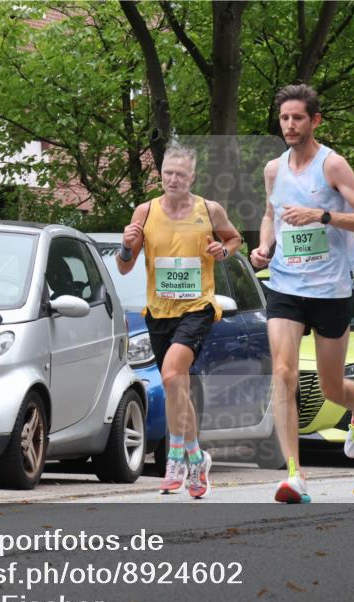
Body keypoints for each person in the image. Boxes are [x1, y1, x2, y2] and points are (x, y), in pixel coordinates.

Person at [250, 84, 354, 504]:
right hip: (286, 284)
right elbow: (270, 214)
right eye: (285, 118)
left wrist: (322, 214)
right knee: (284, 373)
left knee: (330, 387)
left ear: (315, 121)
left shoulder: (333, 166)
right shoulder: (274, 169)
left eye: (298, 118)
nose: (290, 125)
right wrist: (265, 247)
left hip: (330, 289)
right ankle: (294, 475)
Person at [117, 142, 242, 499]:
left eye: (180, 174)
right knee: (177, 386)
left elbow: (234, 240)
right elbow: (125, 266)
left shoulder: (209, 209)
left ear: (192, 177)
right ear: (161, 175)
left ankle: (174, 456)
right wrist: (127, 247)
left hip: (197, 307)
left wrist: (224, 250)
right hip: (158, 311)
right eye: (168, 173)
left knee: (172, 373)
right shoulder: (145, 211)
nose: (173, 179)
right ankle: (195, 455)